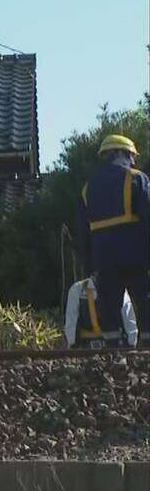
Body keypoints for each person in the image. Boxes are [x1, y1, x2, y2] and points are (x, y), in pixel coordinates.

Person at [75, 134, 149, 346]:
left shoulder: (88, 187)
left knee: (109, 305)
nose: (133, 161)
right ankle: (146, 350)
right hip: (135, 254)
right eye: (131, 156)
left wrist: (89, 265)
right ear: (120, 154)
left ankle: (112, 353)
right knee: (144, 301)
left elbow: (83, 231)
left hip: (103, 258)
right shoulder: (137, 178)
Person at [64, 275, 137, 349]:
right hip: (87, 344)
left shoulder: (119, 290)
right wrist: (72, 343)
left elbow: (128, 319)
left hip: (114, 345)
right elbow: (71, 320)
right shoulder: (78, 289)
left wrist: (131, 343)